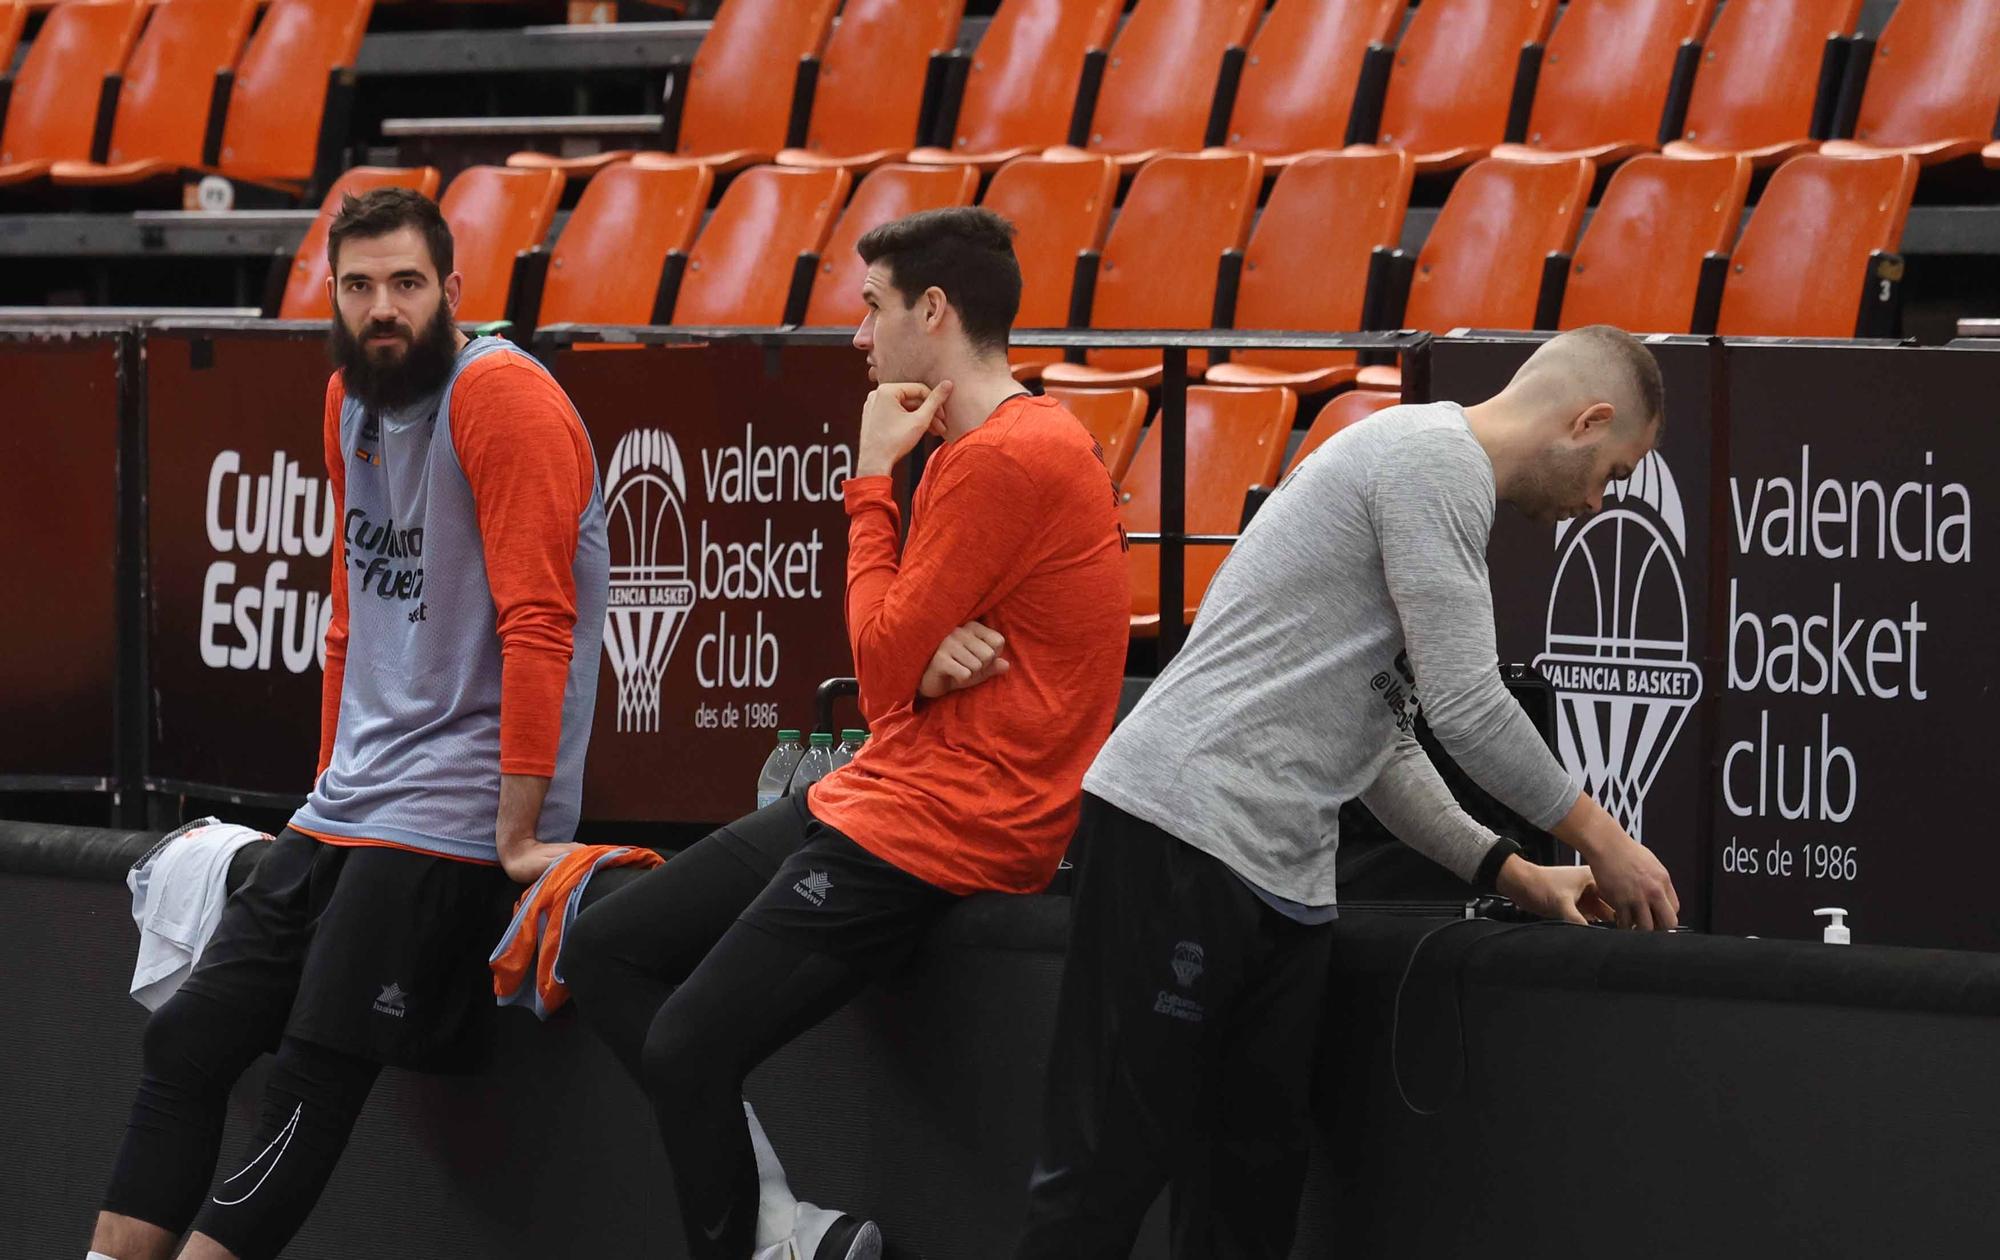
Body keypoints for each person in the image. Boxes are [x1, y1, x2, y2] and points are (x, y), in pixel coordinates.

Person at [1015, 325, 1685, 1258]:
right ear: (1589, 419)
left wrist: (1516, 870)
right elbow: (1468, 705)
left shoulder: (1431, 478)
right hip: (1180, 834)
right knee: (1101, 1178)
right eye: (1612, 471)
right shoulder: (1430, 459)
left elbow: (1381, 746)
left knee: (1248, 1198)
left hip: (1283, 879)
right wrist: (1602, 838)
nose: (1594, 501)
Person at [559, 206, 1130, 1260]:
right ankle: (788, 1233)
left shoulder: (996, 458)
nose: (858, 337)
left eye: (871, 309)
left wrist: (869, 484)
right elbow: (895, 667)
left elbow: (873, 671)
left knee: (688, 1045)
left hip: (950, 826)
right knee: (600, 948)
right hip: (886, 787)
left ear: (933, 310)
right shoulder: (996, 445)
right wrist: (915, 646)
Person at [88, 188, 608, 1260]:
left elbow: (540, 626)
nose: (383, 308)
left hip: (454, 815)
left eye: (407, 284)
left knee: (308, 1078)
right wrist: (321, 795)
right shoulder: (348, 400)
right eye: (359, 285)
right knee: (187, 1041)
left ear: (453, 292)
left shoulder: (501, 399)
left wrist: (516, 833)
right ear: (331, 294)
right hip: (351, 806)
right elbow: (349, 619)